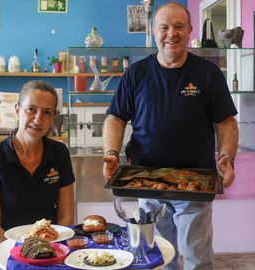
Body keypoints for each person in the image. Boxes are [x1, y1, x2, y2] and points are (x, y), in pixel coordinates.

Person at [102, 2, 239, 270]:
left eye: (178, 26)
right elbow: (115, 118)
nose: (171, 34)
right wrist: (110, 153)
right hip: (146, 182)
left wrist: (227, 156)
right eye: (164, 27)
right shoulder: (137, 73)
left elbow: (226, 122)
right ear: (154, 31)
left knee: (196, 259)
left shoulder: (207, 73)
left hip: (195, 184)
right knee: (157, 258)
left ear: (189, 29)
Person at [0, 80, 75, 269]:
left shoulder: (60, 153)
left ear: (54, 117)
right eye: (31, 109)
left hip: (49, 249)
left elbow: (66, 215)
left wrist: (47, 253)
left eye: (46, 112)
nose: (38, 119)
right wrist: (26, 257)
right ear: (17, 110)